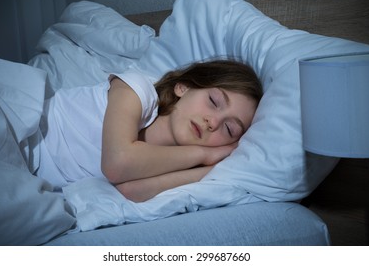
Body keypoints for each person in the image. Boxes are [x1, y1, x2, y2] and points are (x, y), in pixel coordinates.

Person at [37, 59, 263, 202]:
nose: (212, 122)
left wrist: (211, 169)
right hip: (26, 136)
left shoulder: (174, 161)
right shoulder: (136, 90)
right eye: (213, 101)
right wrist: (205, 154)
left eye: (228, 128)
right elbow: (118, 165)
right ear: (183, 87)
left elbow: (131, 191)